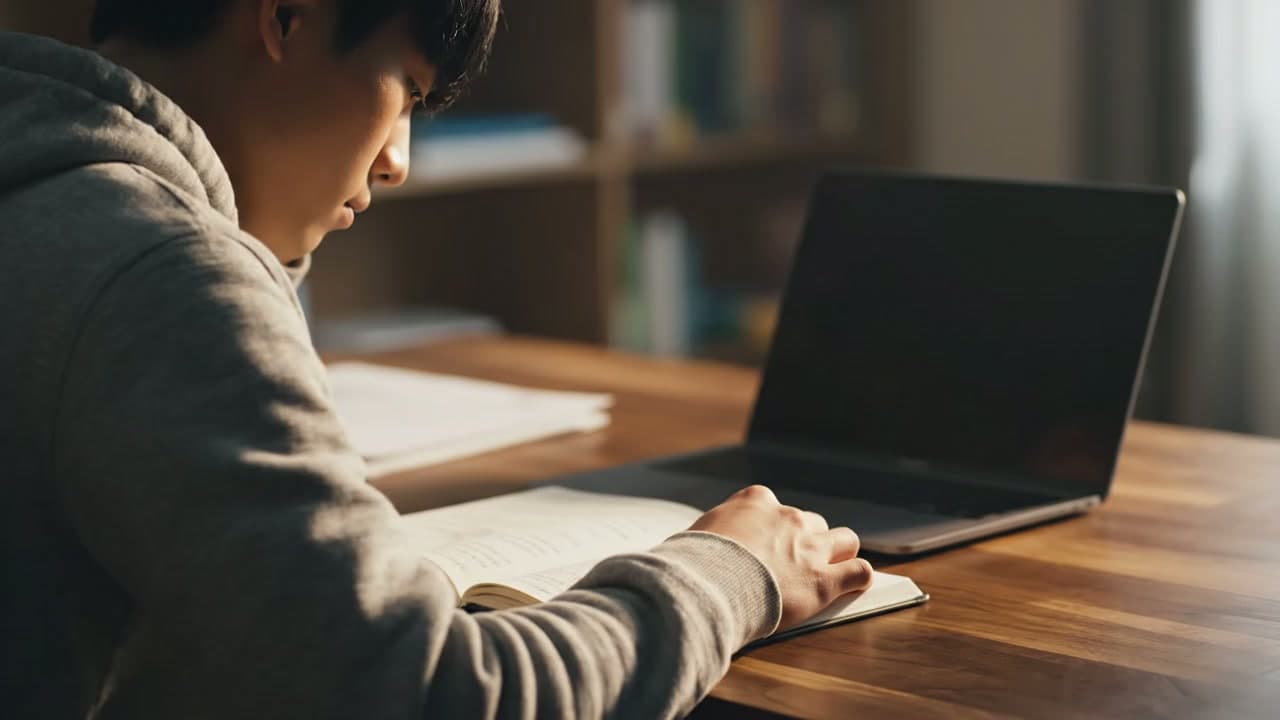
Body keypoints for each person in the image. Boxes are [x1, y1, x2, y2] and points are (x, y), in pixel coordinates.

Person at [0, 1, 876, 717]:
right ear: (287, 17)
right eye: (408, 90)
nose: (397, 163)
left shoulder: (48, 188)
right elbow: (435, 696)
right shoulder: (161, 273)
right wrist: (731, 573)